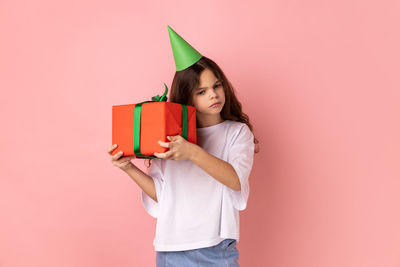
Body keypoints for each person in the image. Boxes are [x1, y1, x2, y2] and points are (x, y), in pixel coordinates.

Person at [107, 25, 260, 266]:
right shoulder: (171, 136)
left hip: (216, 247)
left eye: (217, 86)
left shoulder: (236, 133)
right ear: (187, 97)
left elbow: (235, 180)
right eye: (202, 91)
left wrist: (192, 152)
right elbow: (162, 194)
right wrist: (128, 168)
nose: (213, 95)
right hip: (171, 248)